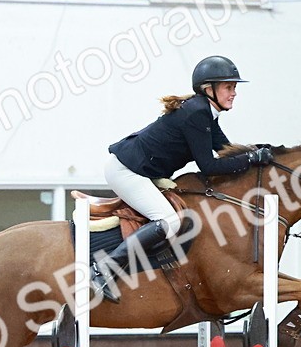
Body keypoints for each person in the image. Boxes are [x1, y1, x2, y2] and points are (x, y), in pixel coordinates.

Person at [94, 55, 273, 303]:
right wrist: (253, 158)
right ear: (208, 89)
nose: (234, 93)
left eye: (234, 88)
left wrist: (260, 151)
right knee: (169, 221)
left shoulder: (206, 113)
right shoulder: (197, 113)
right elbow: (209, 166)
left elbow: (225, 150)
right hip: (126, 171)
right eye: (229, 87)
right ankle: (106, 268)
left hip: (139, 170)